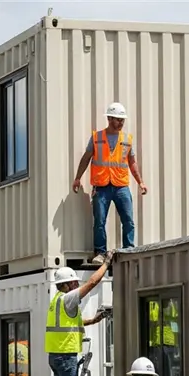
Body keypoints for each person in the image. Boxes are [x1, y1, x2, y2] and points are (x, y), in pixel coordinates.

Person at [45, 255, 113, 376]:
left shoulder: (57, 300)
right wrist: (107, 263)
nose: (76, 285)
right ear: (67, 284)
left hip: (55, 355)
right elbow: (92, 283)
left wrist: (93, 320)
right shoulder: (68, 298)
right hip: (66, 355)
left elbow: (72, 323)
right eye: (74, 282)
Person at [72, 102, 148, 264]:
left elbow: (132, 162)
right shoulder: (97, 138)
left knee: (128, 220)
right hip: (101, 187)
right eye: (118, 119)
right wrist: (78, 178)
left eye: (122, 120)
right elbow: (86, 158)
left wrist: (140, 182)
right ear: (109, 118)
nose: (121, 123)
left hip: (121, 186)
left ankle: (129, 250)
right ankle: (100, 252)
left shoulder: (127, 139)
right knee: (99, 221)